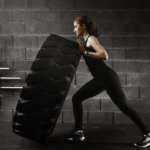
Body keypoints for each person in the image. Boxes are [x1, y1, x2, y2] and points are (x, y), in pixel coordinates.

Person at [63, 15, 150, 148]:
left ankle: (147, 135)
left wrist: (85, 53)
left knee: (124, 107)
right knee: (76, 98)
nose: (74, 30)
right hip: (99, 79)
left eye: (75, 26)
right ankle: (78, 132)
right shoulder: (85, 41)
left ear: (83, 26)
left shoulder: (91, 39)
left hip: (108, 77)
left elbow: (104, 55)